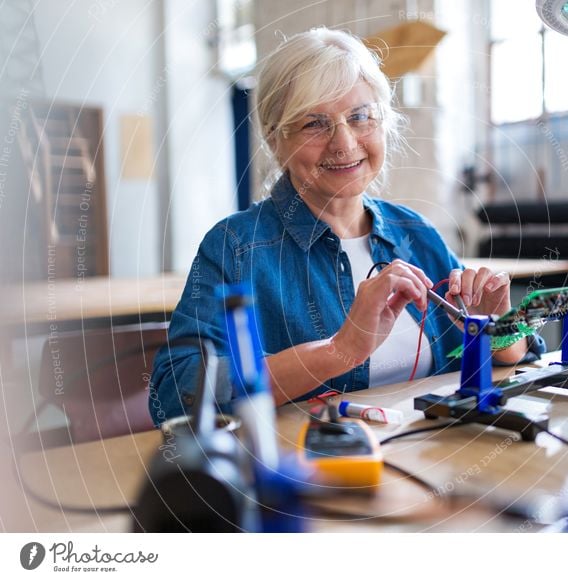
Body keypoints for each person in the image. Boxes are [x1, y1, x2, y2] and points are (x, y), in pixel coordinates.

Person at [149, 28, 536, 425]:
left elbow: (510, 357)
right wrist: (339, 350)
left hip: (429, 464)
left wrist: (497, 327)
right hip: (310, 474)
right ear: (274, 139)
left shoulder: (416, 233)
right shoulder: (235, 246)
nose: (344, 143)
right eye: (314, 123)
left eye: (361, 116)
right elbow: (177, 392)